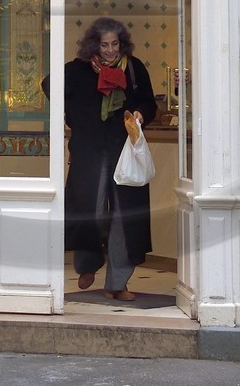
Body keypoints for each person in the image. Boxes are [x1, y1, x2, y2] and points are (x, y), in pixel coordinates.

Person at [62, 17, 157, 301]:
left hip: (124, 151)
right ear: (95, 45)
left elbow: (149, 103)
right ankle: (88, 265)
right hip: (90, 152)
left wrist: (140, 113)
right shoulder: (78, 70)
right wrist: (75, 119)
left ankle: (117, 283)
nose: (110, 51)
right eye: (104, 45)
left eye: (115, 44)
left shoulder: (134, 68)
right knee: (90, 208)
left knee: (123, 216)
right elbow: (51, 87)